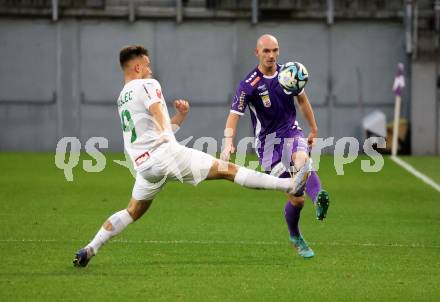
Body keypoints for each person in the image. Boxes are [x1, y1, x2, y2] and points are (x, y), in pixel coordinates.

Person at [73, 45, 312, 267]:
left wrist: (179, 118)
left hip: (144, 166)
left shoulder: (122, 98)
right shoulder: (148, 84)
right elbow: (158, 114)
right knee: (227, 170)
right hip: (165, 155)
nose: (150, 69)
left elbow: (151, 131)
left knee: (132, 211)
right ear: (137, 67)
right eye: (147, 65)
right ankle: (289, 185)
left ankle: (90, 248)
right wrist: (168, 133)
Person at [221, 34, 330, 258]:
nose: (271, 55)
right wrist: (227, 142)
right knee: (296, 198)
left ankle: (319, 197)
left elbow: (302, 100)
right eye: (266, 51)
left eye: (275, 50)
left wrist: (314, 129)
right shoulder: (248, 85)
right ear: (257, 52)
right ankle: (295, 235)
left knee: (302, 159)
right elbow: (234, 116)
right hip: (268, 146)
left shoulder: (289, 74)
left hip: (291, 131)